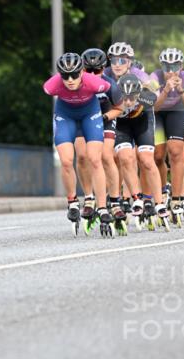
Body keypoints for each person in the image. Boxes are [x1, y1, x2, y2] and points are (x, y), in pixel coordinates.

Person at [43, 52, 111, 226]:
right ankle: (72, 202)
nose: (70, 80)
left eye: (74, 74)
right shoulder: (52, 86)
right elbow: (49, 87)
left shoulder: (95, 82)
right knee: (66, 161)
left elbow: (112, 91)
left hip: (90, 114)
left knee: (95, 159)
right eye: (65, 76)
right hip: (66, 116)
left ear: (82, 72)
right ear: (60, 75)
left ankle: (102, 207)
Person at [104, 72, 169, 224]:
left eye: (132, 98)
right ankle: (136, 198)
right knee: (125, 159)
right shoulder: (112, 97)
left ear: (139, 94)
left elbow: (158, 107)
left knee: (146, 160)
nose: (127, 102)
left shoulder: (147, 97)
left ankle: (159, 202)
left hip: (143, 123)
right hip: (122, 126)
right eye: (124, 98)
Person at [149, 47, 184, 221]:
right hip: (159, 113)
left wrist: (181, 90)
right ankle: (162, 193)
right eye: (166, 66)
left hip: (177, 111)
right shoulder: (154, 77)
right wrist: (166, 90)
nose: (170, 71)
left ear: (181, 66)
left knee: (176, 153)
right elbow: (154, 107)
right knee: (158, 155)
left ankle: (176, 200)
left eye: (174, 66)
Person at [79, 47, 124, 224]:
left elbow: (119, 109)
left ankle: (114, 201)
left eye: (96, 70)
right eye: (88, 70)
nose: (92, 74)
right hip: (82, 119)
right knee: (82, 157)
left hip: (105, 117)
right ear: (81, 69)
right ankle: (89, 198)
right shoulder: (75, 83)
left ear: (103, 69)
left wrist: (103, 118)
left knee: (105, 157)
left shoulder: (109, 84)